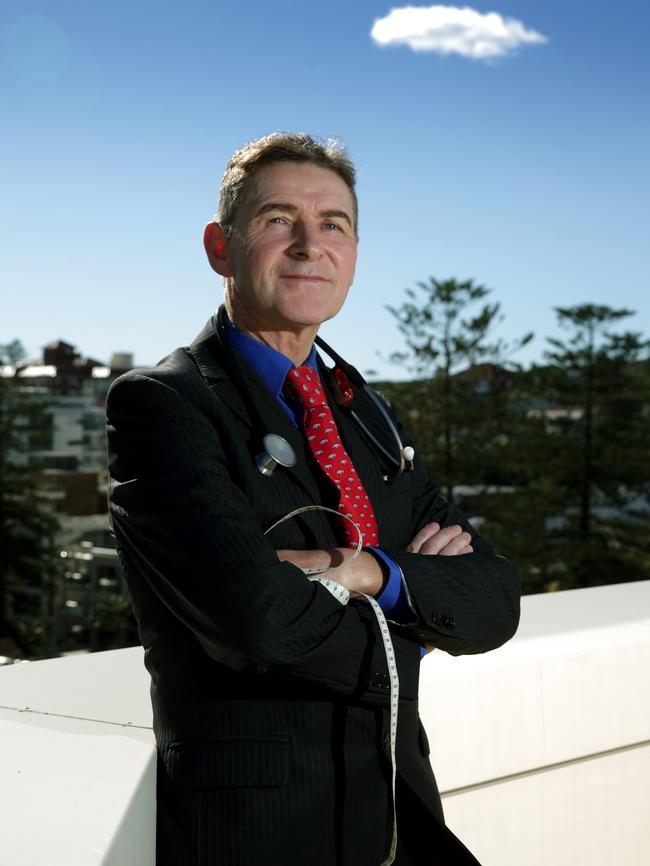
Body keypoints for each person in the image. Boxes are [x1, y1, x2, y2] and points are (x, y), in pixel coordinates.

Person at [106, 132, 520, 866]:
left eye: (333, 224)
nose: (309, 244)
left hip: (402, 811)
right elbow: (259, 622)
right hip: (261, 833)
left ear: (354, 251)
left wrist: (373, 574)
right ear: (220, 247)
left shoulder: (367, 416)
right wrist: (419, 607)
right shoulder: (164, 407)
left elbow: (494, 599)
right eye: (277, 219)